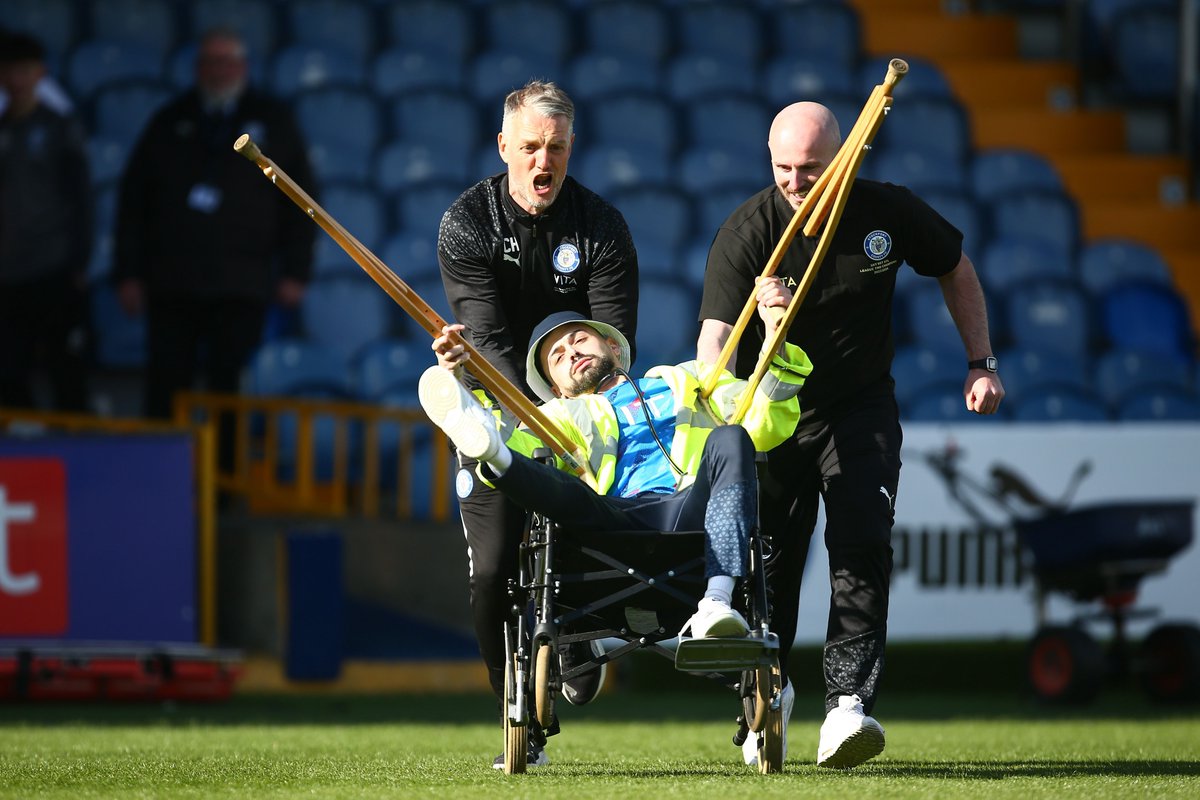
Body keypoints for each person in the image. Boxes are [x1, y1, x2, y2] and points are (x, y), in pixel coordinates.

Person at [696, 102, 1005, 770]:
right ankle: (765, 695)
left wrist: (980, 362)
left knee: (861, 544)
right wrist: (727, 385)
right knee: (769, 563)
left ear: (843, 159)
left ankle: (847, 707)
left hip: (861, 408)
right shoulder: (750, 228)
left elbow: (955, 265)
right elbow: (714, 337)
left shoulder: (887, 212)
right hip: (775, 411)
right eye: (782, 167)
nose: (794, 182)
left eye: (810, 168)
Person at [420, 304, 812, 768]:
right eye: (557, 356)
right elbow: (520, 449)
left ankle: (718, 603)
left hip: (691, 513)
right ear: (555, 385)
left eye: (578, 340)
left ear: (612, 345)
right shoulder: (557, 415)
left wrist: (775, 340)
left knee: (733, 438)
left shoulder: (690, 380)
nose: (570, 353)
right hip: (609, 525)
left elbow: (765, 425)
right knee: (538, 474)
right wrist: (466, 386)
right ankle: (484, 437)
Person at [435, 79, 640, 751]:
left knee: (579, 547)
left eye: (554, 147)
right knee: (492, 570)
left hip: (582, 417)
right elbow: (486, 342)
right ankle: (518, 717)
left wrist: (571, 416)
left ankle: (577, 646)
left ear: (571, 146)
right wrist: (534, 415)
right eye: (528, 147)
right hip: (493, 413)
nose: (542, 162)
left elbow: (612, 347)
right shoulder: (466, 222)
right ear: (504, 146)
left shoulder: (603, 227)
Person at [112, 27, 314, 428]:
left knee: (230, 392)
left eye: (226, 61)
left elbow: (300, 201)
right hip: (172, 281)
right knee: (166, 387)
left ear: (243, 65)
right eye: (209, 61)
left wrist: (296, 271)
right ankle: (161, 483)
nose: (218, 70)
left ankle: (223, 488)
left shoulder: (274, 121)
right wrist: (128, 273)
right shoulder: (169, 120)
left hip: (241, 283)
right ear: (197, 68)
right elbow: (133, 202)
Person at [0, 31, 91, 412]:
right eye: (9, 70)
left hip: (53, 268)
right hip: (6, 273)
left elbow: (82, 199)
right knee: (8, 371)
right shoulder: (2, 129)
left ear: (41, 73)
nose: (17, 79)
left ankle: (78, 456)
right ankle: (24, 448)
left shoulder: (59, 127)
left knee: (66, 369)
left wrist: (79, 261)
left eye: (25, 70)